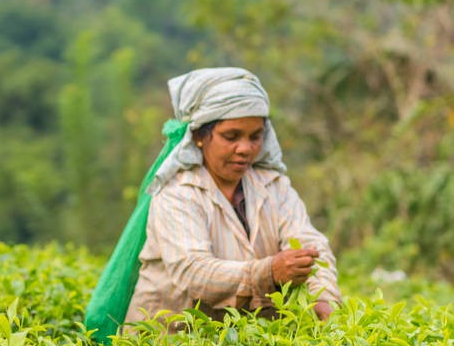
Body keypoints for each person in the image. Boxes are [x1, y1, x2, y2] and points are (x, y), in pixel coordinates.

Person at [123, 67, 341, 327]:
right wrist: (269, 272)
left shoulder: (274, 186)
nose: (245, 148)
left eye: (255, 136)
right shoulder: (178, 193)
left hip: (244, 344)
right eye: (231, 136)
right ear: (200, 136)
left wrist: (323, 296)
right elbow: (193, 271)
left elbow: (308, 243)